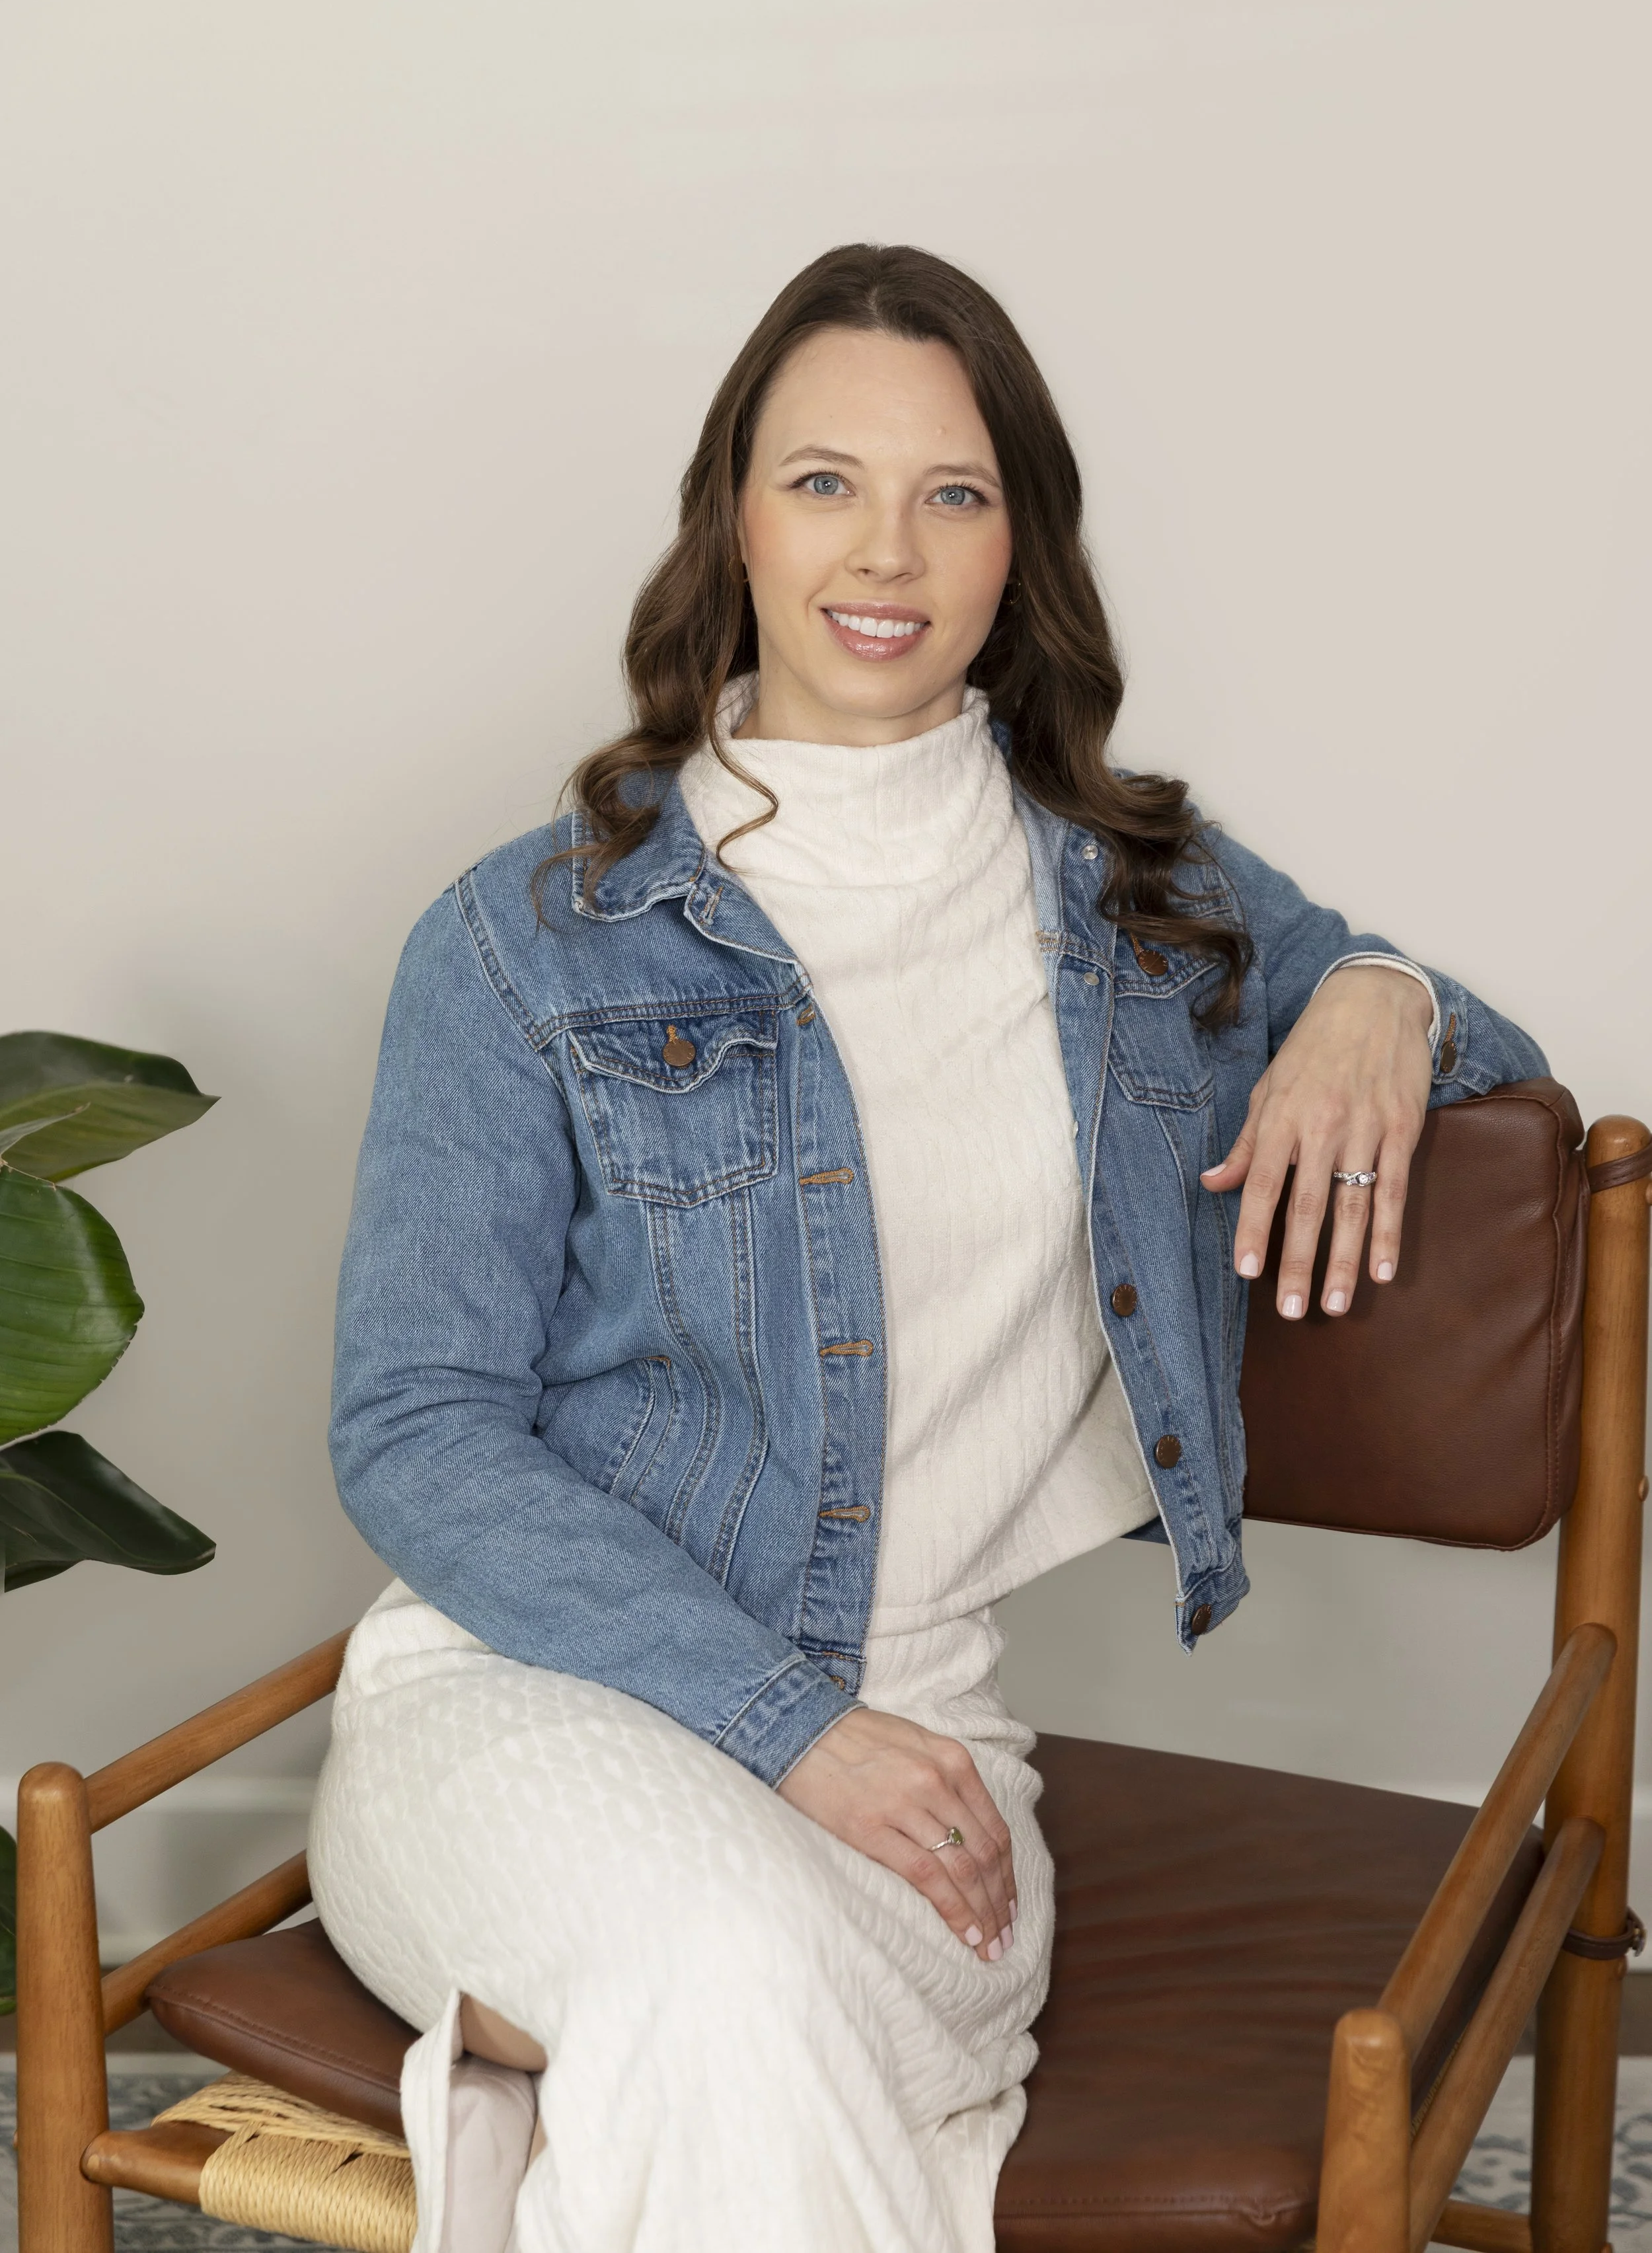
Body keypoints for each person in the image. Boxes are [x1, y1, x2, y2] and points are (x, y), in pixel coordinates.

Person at [309, 243, 1544, 2253]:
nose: (883, 549)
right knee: (716, 1984)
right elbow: (416, 1425)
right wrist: (779, 1722)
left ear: (1015, 545)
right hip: (514, 1702)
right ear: (732, 517)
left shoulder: (1142, 907)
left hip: (924, 1745)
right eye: (822, 481)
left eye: (951, 493)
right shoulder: (523, 937)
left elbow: (1471, 1043)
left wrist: (1379, 992)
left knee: (718, 2025)